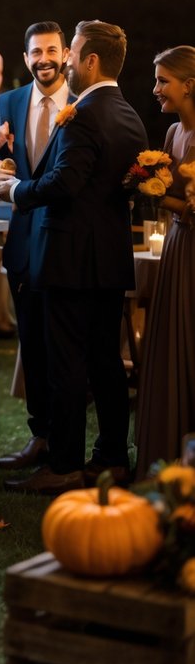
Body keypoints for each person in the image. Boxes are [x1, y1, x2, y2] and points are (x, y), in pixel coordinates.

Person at [0, 20, 147, 494]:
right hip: (107, 259)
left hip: (68, 260)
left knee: (66, 365)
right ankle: (113, 458)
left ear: (91, 61)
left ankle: (62, 465)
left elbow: (64, 183)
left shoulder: (83, 114)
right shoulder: (129, 115)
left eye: (73, 53)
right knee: (104, 361)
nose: (66, 62)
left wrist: (14, 188)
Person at [0, 22, 72, 470]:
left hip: (62, 242)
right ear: (25, 59)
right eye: (35, 52)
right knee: (33, 346)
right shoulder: (8, 102)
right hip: (23, 240)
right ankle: (39, 435)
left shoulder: (81, 106)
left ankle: (63, 443)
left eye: (51, 50)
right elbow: (0, 163)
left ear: (65, 55)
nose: (44, 58)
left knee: (61, 347)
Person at [134, 45, 195, 477]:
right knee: (171, 341)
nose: (155, 89)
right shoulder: (174, 135)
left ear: (190, 85)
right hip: (177, 248)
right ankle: (169, 456)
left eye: (162, 81)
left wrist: (163, 196)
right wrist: (147, 183)